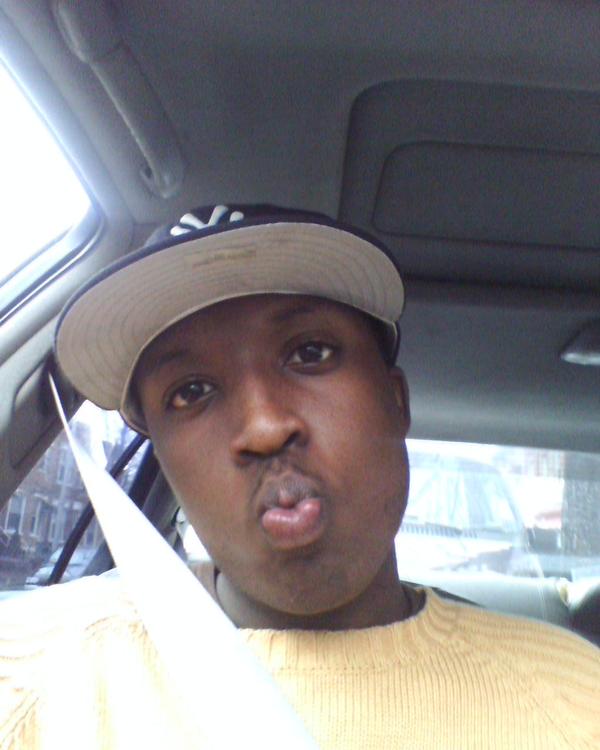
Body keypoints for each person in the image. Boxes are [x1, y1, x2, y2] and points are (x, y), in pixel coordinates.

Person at [1, 205, 599, 749]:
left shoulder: (577, 697)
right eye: (191, 391)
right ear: (164, 455)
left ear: (396, 401)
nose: (264, 428)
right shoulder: (35, 682)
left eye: (310, 353)